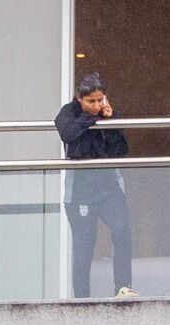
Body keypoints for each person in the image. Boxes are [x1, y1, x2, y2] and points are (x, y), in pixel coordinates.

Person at [55, 72, 135, 298]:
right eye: (91, 101)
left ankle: (123, 287)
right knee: (84, 246)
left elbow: (121, 151)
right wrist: (91, 118)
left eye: (100, 100)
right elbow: (68, 134)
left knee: (122, 231)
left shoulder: (108, 116)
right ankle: (81, 299)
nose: (97, 105)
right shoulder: (68, 112)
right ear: (78, 99)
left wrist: (110, 122)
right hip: (80, 191)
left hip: (109, 187)